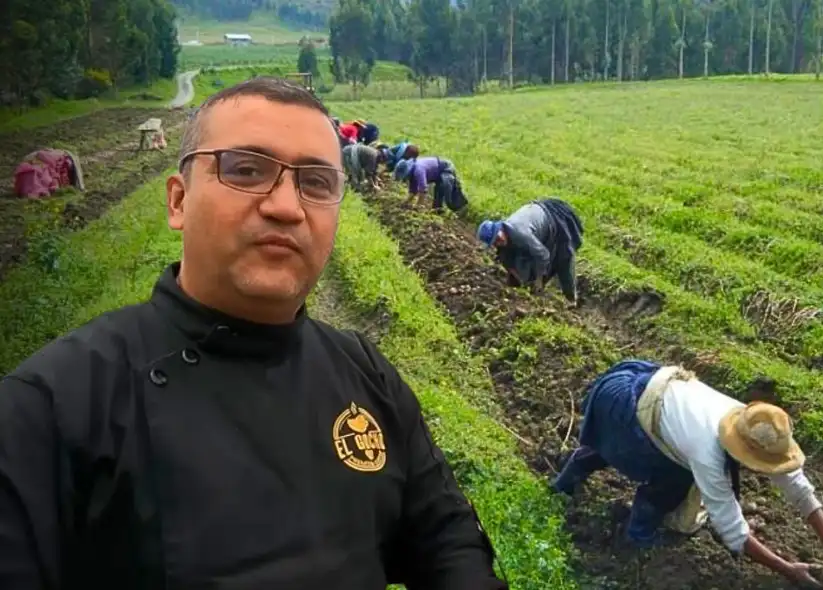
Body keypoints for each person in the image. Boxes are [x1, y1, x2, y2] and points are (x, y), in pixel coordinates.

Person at [0, 77, 509, 590]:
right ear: (178, 201)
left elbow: (449, 541)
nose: (286, 207)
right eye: (245, 170)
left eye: (315, 183)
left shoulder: (365, 373)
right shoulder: (51, 407)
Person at [553, 360, 823, 589]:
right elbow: (732, 529)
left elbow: (797, 485)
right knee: (673, 473)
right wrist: (788, 570)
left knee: (639, 443)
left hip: (651, 389)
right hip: (623, 398)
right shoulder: (709, 451)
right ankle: (639, 533)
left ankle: (565, 483)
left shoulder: (750, 421)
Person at [476, 198, 583, 305]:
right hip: (536, 223)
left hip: (553, 219)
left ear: (500, 228)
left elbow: (543, 255)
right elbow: (507, 259)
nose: (499, 242)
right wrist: (515, 275)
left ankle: (571, 299)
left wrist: (539, 279)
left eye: (498, 238)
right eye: (495, 242)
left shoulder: (521, 234)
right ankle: (526, 283)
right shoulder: (505, 238)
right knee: (514, 256)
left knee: (564, 259)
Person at [393, 156, 467, 212]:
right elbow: (413, 191)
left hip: (446, 168)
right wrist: (404, 203)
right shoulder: (412, 175)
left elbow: (423, 189)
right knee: (438, 192)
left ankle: (462, 206)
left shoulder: (418, 170)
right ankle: (438, 210)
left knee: (447, 191)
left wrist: (418, 205)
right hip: (437, 175)